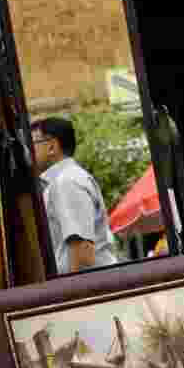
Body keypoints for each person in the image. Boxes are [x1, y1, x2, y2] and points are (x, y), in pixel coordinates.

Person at [31, 117, 118, 274]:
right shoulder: (64, 180)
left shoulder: (66, 181)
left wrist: (72, 293)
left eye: (33, 143)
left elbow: (82, 249)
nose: (29, 150)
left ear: (52, 146)